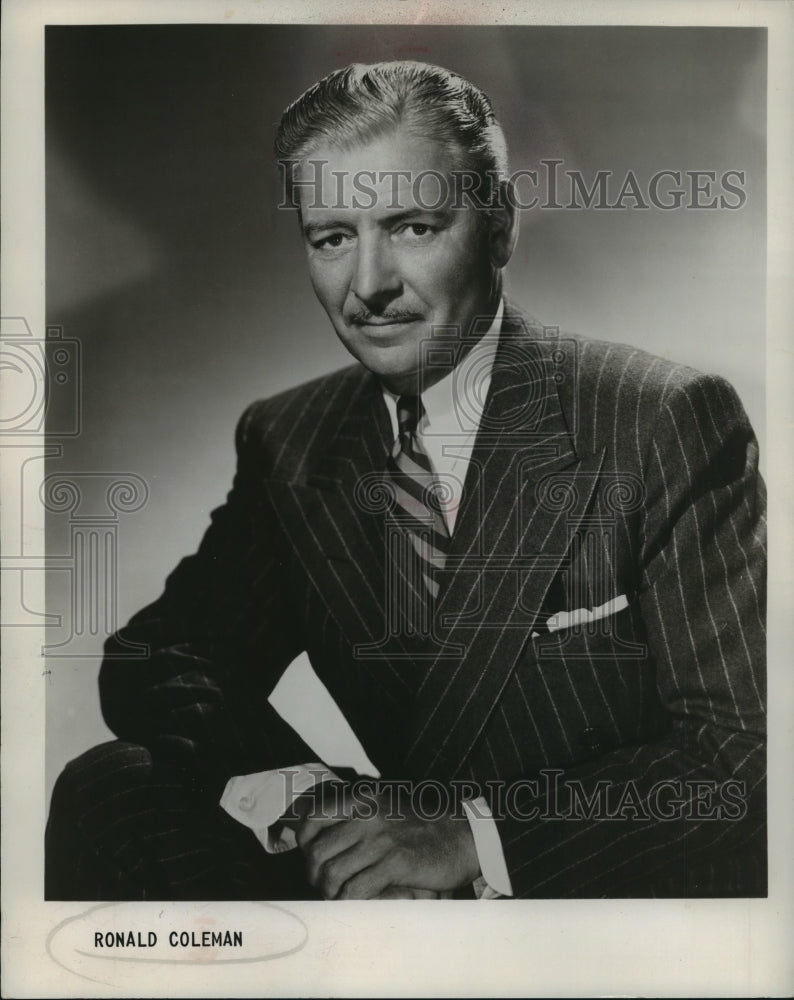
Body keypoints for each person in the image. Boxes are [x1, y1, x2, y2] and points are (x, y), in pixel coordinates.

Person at [46, 61, 766, 901]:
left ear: (500, 230)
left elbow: (741, 752)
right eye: (332, 238)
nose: (369, 286)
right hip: (391, 907)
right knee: (118, 781)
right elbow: (160, 653)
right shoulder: (295, 441)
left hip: (580, 900)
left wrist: (470, 835)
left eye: (414, 227)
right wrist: (313, 796)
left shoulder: (661, 421)